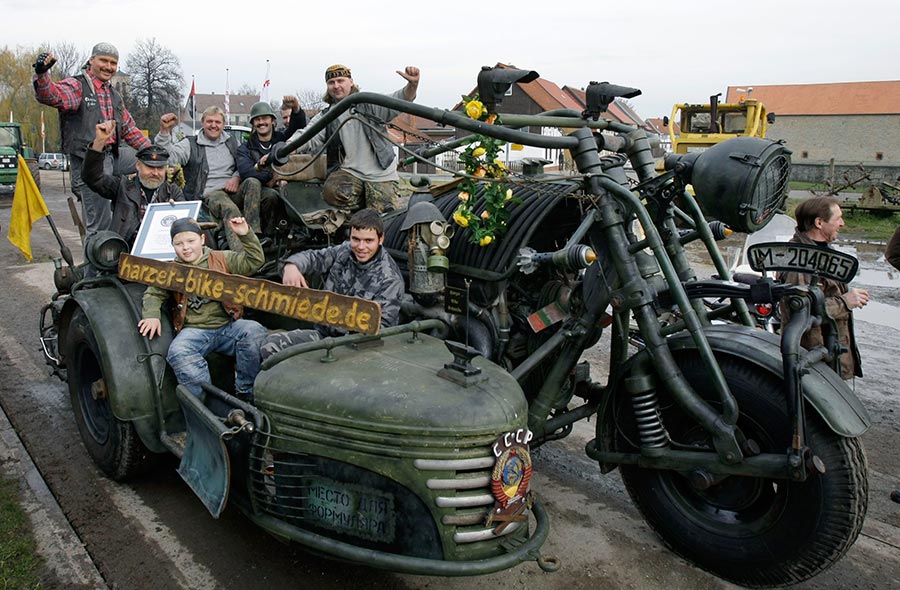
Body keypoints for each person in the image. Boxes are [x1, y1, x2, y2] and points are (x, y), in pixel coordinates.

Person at [139, 217, 267, 401]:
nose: (186, 248)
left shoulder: (221, 259)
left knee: (253, 331)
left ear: (202, 239)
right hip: (194, 330)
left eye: (191, 241)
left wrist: (245, 235)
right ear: (172, 245)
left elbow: (254, 261)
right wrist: (151, 315)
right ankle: (204, 403)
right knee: (178, 351)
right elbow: (153, 293)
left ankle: (246, 392)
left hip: (227, 327)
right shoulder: (171, 270)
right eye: (179, 243)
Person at [32, 42, 151, 235]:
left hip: (113, 157)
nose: (108, 66)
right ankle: (95, 264)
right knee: (99, 227)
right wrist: (42, 73)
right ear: (91, 60)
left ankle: (138, 205)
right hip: (89, 162)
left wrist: (156, 156)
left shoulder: (114, 95)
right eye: (103, 60)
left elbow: (130, 130)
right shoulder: (78, 86)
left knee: (148, 164)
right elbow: (51, 95)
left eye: (113, 63)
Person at [260, 208, 404, 359]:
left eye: (368, 241)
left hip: (357, 349)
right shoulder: (345, 251)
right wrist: (292, 266)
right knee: (270, 347)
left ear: (381, 239)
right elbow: (316, 258)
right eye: (356, 239)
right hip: (324, 336)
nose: (361, 247)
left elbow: (380, 331)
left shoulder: (390, 279)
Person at [291, 64, 419, 214]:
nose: (336, 86)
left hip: (381, 175)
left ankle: (367, 213)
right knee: (331, 191)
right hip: (351, 174)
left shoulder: (369, 104)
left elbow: (400, 99)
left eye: (340, 81)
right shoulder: (327, 116)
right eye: (331, 83)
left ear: (351, 82)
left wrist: (413, 84)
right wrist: (285, 149)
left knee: (383, 219)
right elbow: (307, 135)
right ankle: (356, 216)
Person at [777, 196, 869, 380]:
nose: (842, 224)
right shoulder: (799, 261)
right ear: (819, 222)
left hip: (829, 355)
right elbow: (800, 310)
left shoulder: (822, 253)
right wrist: (845, 302)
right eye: (838, 218)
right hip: (813, 362)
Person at [155, 106, 262, 251]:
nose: (213, 125)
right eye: (209, 121)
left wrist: (236, 177)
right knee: (230, 209)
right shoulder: (190, 144)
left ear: (223, 124)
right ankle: (242, 255)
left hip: (233, 189)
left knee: (253, 183)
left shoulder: (232, 142)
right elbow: (169, 157)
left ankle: (255, 237)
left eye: (217, 122)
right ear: (203, 123)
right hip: (211, 193)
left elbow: (243, 165)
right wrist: (164, 131)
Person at [81, 121, 184, 247]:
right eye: (150, 167)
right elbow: (92, 178)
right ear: (138, 166)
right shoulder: (122, 186)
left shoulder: (173, 192)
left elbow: (185, 227)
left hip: (162, 252)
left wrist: (176, 212)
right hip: (126, 252)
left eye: (160, 168)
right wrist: (99, 143)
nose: (155, 173)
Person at [235, 97, 307, 231]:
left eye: (265, 118)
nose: (261, 122)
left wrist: (296, 108)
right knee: (261, 188)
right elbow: (246, 172)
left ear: (272, 121)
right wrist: (271, 176)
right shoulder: (245, 148)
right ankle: (254, 234)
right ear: (253, 123)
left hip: (284, 187)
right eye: (257, 119)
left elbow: (299, 129)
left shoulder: (282, 139)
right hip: (258, 191)